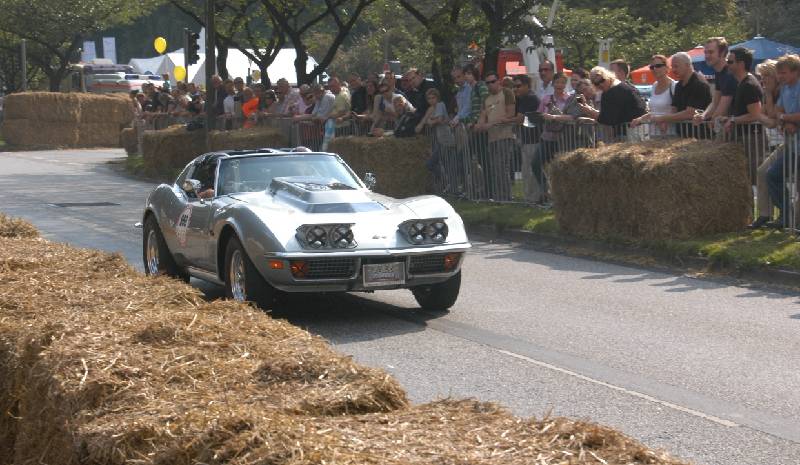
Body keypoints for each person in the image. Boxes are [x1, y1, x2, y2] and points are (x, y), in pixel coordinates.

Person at [751, 54, 800, 229]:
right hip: (791, 144)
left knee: (771, 174)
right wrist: (786, 120)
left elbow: (773, 118)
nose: (780, 77)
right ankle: (785, 216)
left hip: (792, 142)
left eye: (783, 73)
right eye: (779, 73)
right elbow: (775, 114)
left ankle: (792, 219)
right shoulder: (784, 89)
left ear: (795, 72)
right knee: (769, 173)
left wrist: (783, 118)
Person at [632, 52, 711, 138]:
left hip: (701, 136)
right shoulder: (679, 85)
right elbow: (674, 109)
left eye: (676, 66)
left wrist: (662, 119)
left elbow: (690, 113)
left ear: (687, 65)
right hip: (681, 136)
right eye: (673, 66)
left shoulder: (698, 84)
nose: (674, 70)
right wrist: (663, 121)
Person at [722, 47, 763, 183]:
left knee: (752, 179)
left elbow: (755, 115)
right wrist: (729, 119)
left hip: (751, 138)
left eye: (730, 61)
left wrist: (733, 120)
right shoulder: (741, 83)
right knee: (744, 180)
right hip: (744, 136)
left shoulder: (749, 85)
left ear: (741, 64)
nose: (727, 64)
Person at [475, 71, 516, 201]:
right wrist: (479, 125)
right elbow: (482, 116)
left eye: (493, 81)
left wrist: (490, 124)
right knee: (494, 168)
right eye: (487, 83)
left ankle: (506, 197)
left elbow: (510, 114)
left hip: (505, 135)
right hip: (492, 138)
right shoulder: (486, 98)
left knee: (502, 167)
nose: (490, 85)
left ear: (498, 81)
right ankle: (499, 197)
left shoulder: (507, 93)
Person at [531, 72, 570, 202]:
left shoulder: (569, 99)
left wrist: (556, 117)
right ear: (553, 84)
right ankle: (546, 191)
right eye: (557, 82)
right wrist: (543, 117)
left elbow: (571, 117)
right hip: (547, 137)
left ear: (565, 84)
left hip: (563, 139)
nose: (560, 85)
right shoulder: (546, 99)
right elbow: (538, 114)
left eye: (563, 82)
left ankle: (561, 197)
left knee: (559, 168)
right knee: (536, 163)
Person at [590, 66, 646, 140]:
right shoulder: (620, 86)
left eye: (602, 80)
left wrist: (590, 111)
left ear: (607, 76)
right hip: (630, 131)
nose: (601, 84)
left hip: (631, 131)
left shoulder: (614, 91)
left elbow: (610, 119)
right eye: (596, 83)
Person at [694, 37, 737, 130]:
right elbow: (715, 102)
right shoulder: (719, 72)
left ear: (722, 53)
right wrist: (703, 116)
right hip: (730, 125)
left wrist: (712, 120)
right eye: (705, 52)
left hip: (740, 129)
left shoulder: (729, 73)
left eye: (711, 52)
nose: (707, 56)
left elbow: (724, 104)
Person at [416, 88, 454, 191]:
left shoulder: (440, 105)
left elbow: (438, 119)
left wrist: (431, 120)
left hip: (445, 139)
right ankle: (448, 184)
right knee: (442, 164)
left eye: (433, 98)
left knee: (433, 163)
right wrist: (425, 123)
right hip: (439, 140)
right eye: (429, 98)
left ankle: (448, 184)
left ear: (437, 98)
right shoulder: (431, 108)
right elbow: (425, 120)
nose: (431, 100)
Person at [631, 55, 676, 136]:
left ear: (667, 68)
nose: (655, 69)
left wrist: (666, 121)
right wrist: (640, 119)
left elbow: (676, 110)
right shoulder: (654, 85)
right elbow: (654, 112)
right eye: (652, 67)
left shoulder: (674, 86)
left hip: (669, 133)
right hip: (653, 134)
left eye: (658, 66)